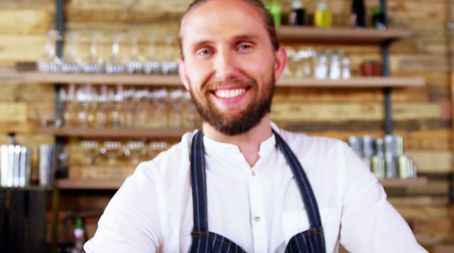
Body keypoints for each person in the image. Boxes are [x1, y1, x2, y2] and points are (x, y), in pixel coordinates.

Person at [85, 0, 427, 252]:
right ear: (185, 75)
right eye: (204, 51)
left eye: (244, 46)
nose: (225, 69)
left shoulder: (335, 164)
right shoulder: (154, 184)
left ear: (278, 63)